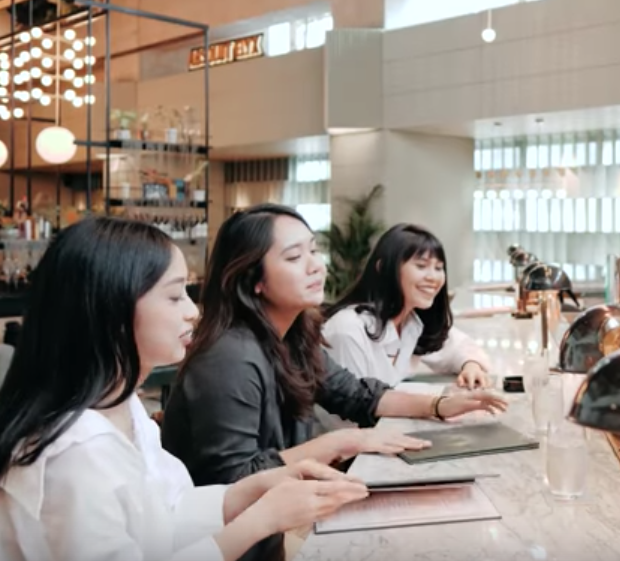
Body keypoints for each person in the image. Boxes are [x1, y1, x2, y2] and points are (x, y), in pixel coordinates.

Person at [0, 217, 368, 561]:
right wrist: (261, 520)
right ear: (112, 311)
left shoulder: (124, 408)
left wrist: (255, 490)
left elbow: (167, 513)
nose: (192, 312)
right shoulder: (73, 453)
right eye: (174, 297)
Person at [161, 204, 507, 561]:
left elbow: (355, 395)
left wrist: (439, 406)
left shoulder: (293, 336)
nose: (316, 265)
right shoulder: (228, 357)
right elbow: (237, 481)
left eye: (314, 250)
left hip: (267, 541)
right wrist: (339, 442)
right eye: (294, 257)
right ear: (254, 280)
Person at [323, 223, 492, 389]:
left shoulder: (411, 322)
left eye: (438, 268)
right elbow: (357, 401)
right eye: (421, 266)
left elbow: (458, 347)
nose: (433, 277)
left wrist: (471, 366)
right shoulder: (349, 328)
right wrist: (436, 404)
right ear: (384, 268)